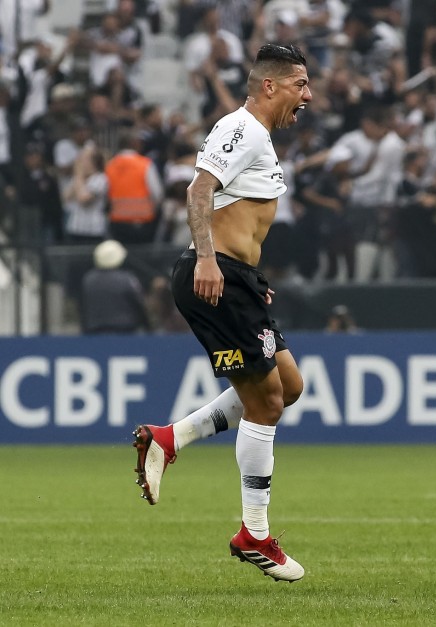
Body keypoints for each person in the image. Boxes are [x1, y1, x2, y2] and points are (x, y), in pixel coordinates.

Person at [131, 43, 312, 583]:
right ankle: (254, 531)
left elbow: (240, 216)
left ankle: (170, 439)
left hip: (238, 279)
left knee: (290, 384)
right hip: (215, 276)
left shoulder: (261, 139)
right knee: (268, 403)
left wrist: (251, 280)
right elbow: (198, 190)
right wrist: (210, 260)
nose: (308, 95)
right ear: (270, 86)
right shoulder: (243, 128)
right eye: (301, 84)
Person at [80, 239, 150, 334]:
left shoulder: (88, 279)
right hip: (125, 332)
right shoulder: (127, 279)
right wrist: (149, 328)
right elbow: (140, 304)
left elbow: (82, 308)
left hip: (94, 332)